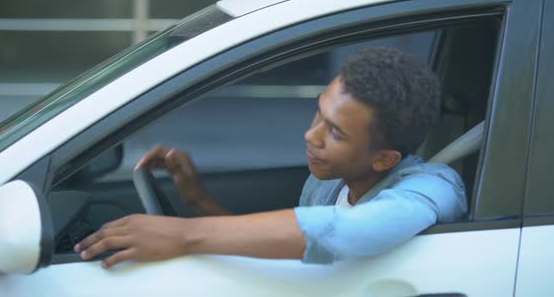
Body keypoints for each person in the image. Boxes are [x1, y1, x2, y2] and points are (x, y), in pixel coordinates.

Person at [74, 47, 467, 268]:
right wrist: (198, 201)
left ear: (384, 159)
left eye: (335, 132)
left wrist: (182, 235)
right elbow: (288, 252)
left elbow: (343, 233)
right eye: (319, 113)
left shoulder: (434, 186)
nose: (310, 135)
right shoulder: (327, 182)